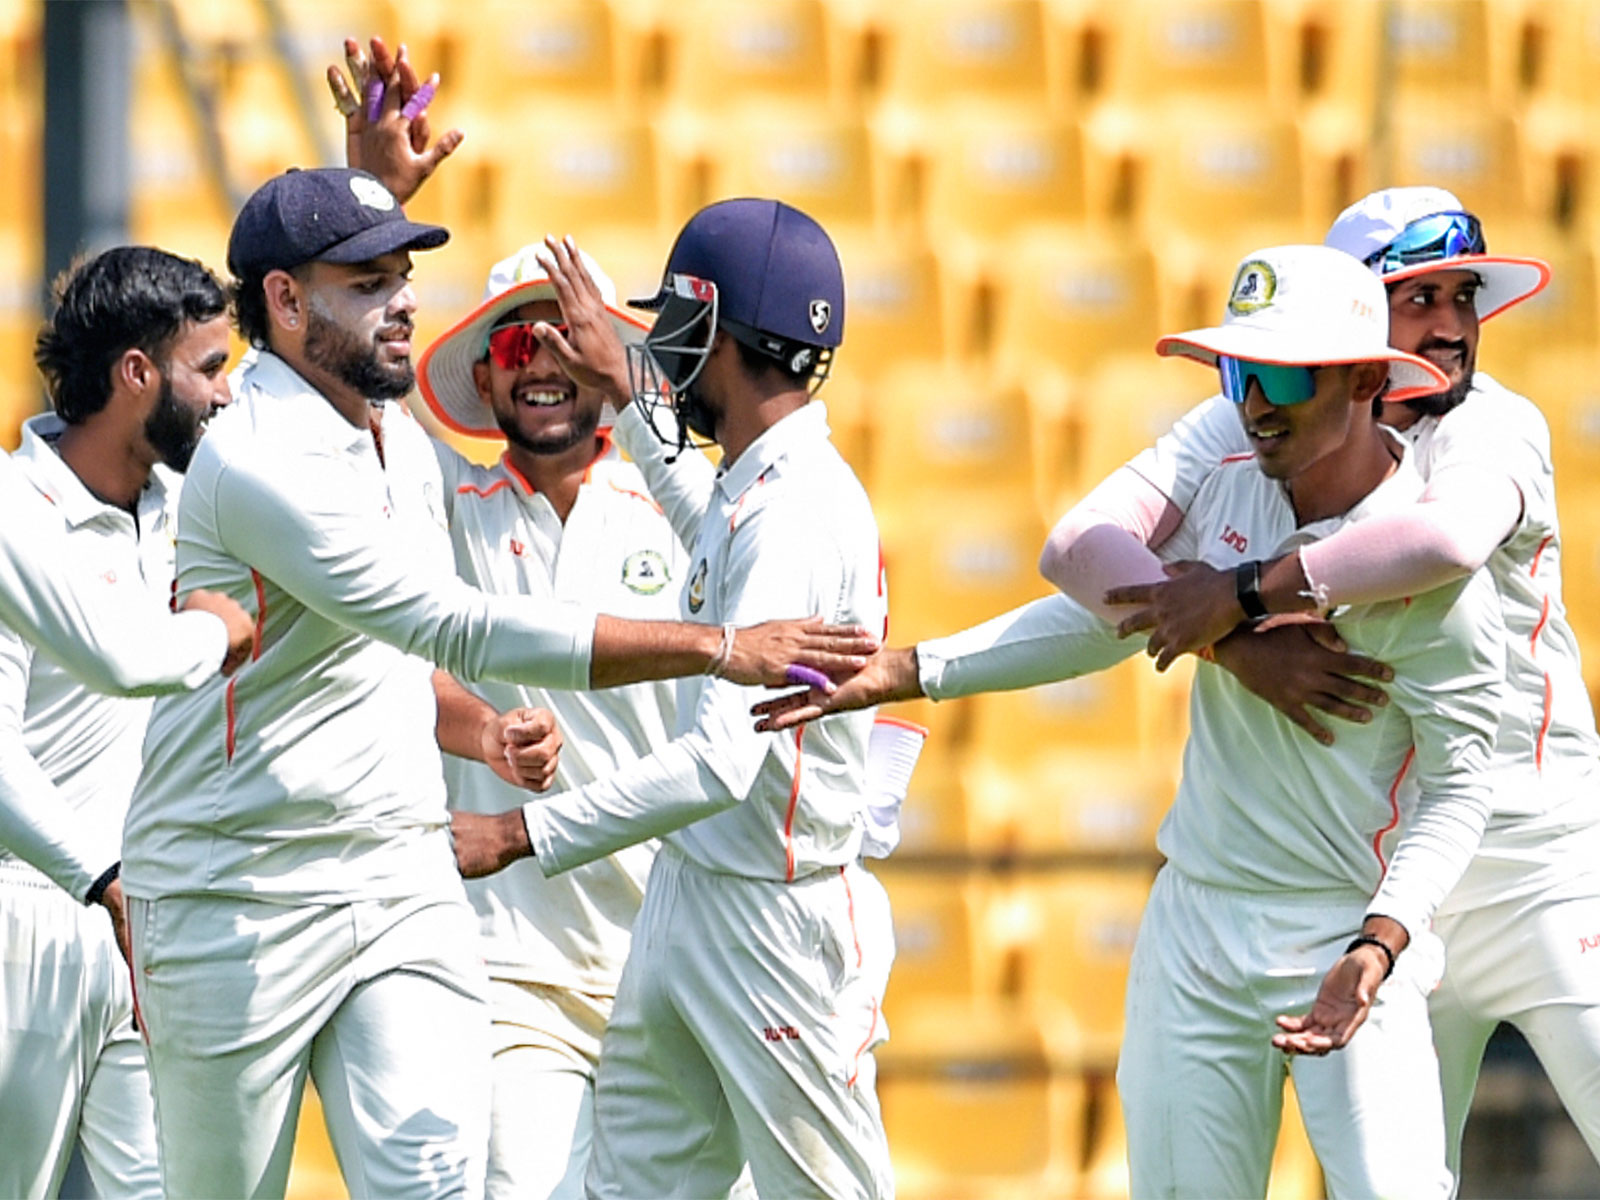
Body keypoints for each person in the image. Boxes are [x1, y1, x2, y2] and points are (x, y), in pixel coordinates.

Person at [118, 168, 876, 1200]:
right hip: (263, 900)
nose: (402, 300)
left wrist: (362, 178)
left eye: (402, 276)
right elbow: (443, 625)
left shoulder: (647, 490)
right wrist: (713, 648)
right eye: (520, 341)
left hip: (631, 927)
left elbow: (729, 537)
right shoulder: (366, 472)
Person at [756, 243, 1509, 1198]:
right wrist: (910, 670)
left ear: (1366, 379)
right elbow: (1095, 594)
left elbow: (1460, 782)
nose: (1255, 403)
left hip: (1343, 934)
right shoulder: (1232, 479)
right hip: (1194, 920)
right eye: (1240, 371)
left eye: (1284, 374)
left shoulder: (1432, 577)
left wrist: (1381, 939)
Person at [1042, 186, 1600, 1178]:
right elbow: (1076, 553)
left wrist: (1245, 595)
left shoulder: (1491, 425)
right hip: (1392, 876)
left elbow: (1445, 538)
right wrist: (1234, 645)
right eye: (1414, 299)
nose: (1450, 326)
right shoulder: (1260, 422)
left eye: (1460, 296)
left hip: (1538, 858)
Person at [450, 201, 896, 1200]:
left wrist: (514, 835)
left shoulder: (792, 508)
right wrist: (632, 388)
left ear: (715, 332)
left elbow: (717, 763)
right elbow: (710, 531)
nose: (663, 351)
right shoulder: (755, 488)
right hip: (690, 903)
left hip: (771, 918)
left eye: (674, 332)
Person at [413, 241, 688, 1200]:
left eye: (565, 336)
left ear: (609, 360)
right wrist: (376, 196)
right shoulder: (444, 497)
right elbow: (346, 398)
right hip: (509, 966)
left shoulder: (685, 504)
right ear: (483, 374)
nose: (539, 361)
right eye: (516, 341)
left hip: (675, 955)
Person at [0, 246, 233, 1200]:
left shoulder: (192, 508)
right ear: (137, 373)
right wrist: (97, 879)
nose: (226, 395)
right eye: (210, 368)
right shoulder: (15, 513)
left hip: (149, 924)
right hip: (27, 914)